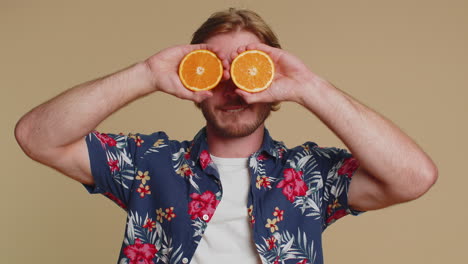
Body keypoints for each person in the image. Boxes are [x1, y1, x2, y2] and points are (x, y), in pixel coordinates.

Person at [15, 8, 437, 264]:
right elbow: (37, 136)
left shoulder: (308, 175)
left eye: (249, 71)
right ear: (193, 84)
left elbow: (414, 177)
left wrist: (310, 87)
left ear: (273, 84)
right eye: (217, 72)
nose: (234, 88)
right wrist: (146, 74)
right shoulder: (149, 162)